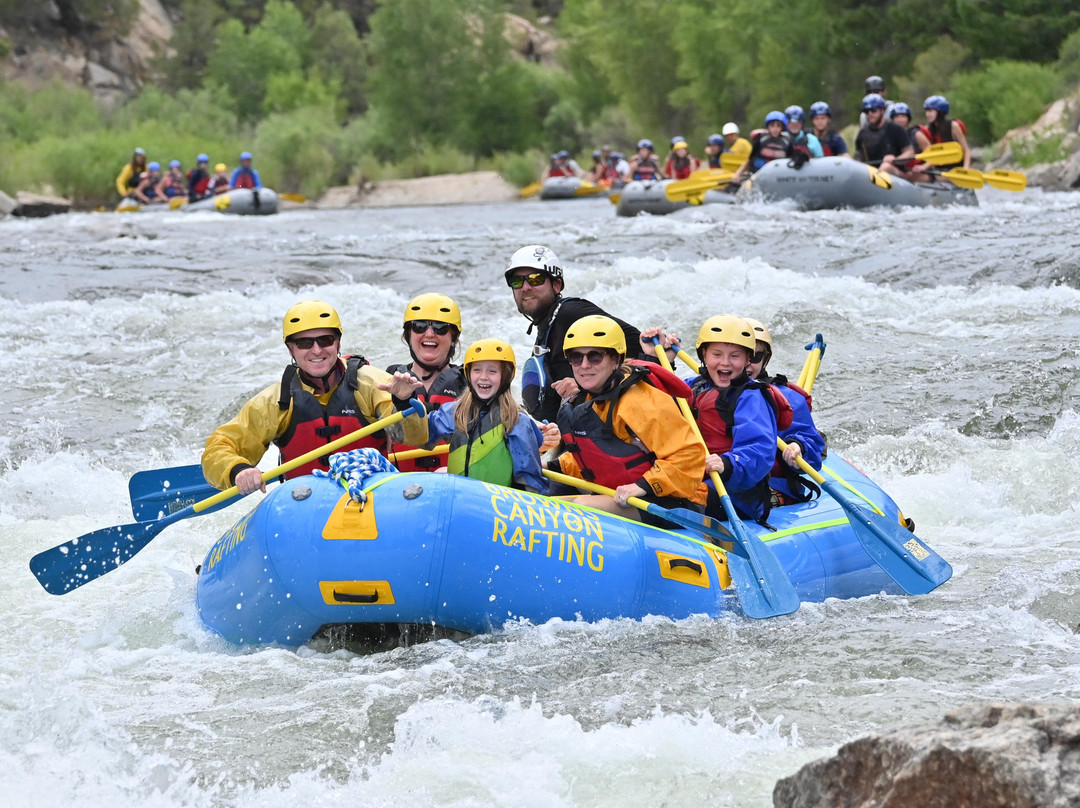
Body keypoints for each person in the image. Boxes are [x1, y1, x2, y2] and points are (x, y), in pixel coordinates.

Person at [202, 300, 429, 494]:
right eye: (304, 343)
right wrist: (238, 470)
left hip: (370, 494)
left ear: (338, 343)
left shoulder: (372, 383)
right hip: (305, 502)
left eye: (325, 340)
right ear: (291, 349)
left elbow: (417, 437)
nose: (317, 350)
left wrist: (402, 402)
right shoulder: (276, 401)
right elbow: (220, 446)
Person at [549, 315, 707, 524]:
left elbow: (689, 456)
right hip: (623, 493)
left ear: (616, 359)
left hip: (675, 500)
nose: (584, 365)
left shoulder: (641, 401)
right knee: (548, 505)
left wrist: (642, 485)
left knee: (583, 508)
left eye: (595, 356)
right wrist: (550, 467)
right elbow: (600, 454)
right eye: (576, 357)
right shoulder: (591, 399)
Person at [385, 339, 551, 493]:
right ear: (468, 374)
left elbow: (531, 481)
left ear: (507, 376)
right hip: (458, 500)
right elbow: (420, 437)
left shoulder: (516, 421)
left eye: (492, 371)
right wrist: (404, 401)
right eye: (477, 370)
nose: (483, 377)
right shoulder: (455, 412)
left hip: (497, 507)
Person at [505, 245, 643, 423]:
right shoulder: (546, 324)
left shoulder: (571, 313)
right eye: (517, 282)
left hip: (602, 429)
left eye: (535, 279)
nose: (525, 287)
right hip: (560, 433)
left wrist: (585, 387)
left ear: (557, 285)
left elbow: (639, 348)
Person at [684, 315, 780, 522]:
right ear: (704, 354)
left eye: (735, 356)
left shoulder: (751, 396)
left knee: (669, 500)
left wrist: (728, 464)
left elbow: (759, 450)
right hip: (692, 479)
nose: (725, 363)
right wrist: (652, 359)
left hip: (735, 496)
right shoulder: (693, 387)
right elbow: (652, 400)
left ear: (748, 360)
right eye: (717, 354)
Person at [743, 317, 824, 505]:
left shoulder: (786, 398)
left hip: (771, 487)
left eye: (754, 357)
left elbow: (809, 443)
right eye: (738, 355)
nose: (745, 364)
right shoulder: (702, 389)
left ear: (766, 360)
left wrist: (798, 446)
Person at [384, 293, 467, 472]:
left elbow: (506, 412)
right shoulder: (386, 381)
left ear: (453, 337)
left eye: (440, 327)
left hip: (455, 486)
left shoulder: (473, 383)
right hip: (398, 486)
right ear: (408, 335)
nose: (429, 333)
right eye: (419, 326)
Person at [853, 94, 914, 177]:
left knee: (886, 167)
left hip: (896, 175)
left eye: (873, 110)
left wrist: (895, 160)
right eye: (866, 111)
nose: (870, 114)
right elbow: (858, 155)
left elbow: (909, 153)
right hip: (870, 175)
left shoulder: (896, 129)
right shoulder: (863, 133)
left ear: (882, 111)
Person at [731, 111, 793, 184]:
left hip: (778, 178)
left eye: (778, 126)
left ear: (782, 127)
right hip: (757, 175)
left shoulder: (787, 142)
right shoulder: (761, 139)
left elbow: (790, 161)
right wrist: (737, 174)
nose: (775, 129)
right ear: (768, 127)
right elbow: (750, 160)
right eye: (772, 125)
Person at [915, 95, 970, 170]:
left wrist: (965, 169)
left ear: (940, 112)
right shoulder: (927, 129)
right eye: (926, 111)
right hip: (938, 168)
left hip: (955, 168)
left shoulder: (953, 126)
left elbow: (966, 150)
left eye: (930, 111)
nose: (927, 114)